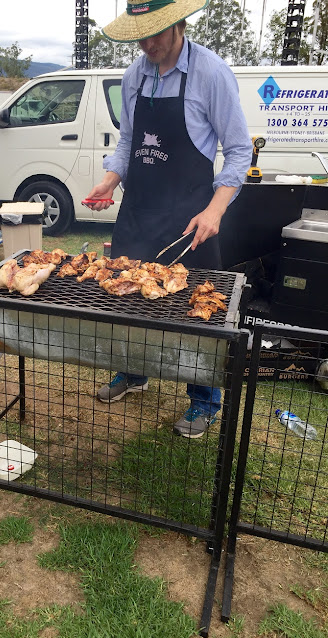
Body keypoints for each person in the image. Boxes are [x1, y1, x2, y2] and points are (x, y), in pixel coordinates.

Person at [85, 0, 252, 438]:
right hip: (138, 210)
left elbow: (238, 151)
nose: (148, 44)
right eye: (140, 35)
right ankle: (134, 373)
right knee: (126, 301)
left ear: (179, 23)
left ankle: (203, 400)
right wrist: (109, 179)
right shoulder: (133, 76)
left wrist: (215, 211)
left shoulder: (211, 74)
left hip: (190, 218)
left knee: (197, 312)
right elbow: (127, 143)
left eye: (156, 32)